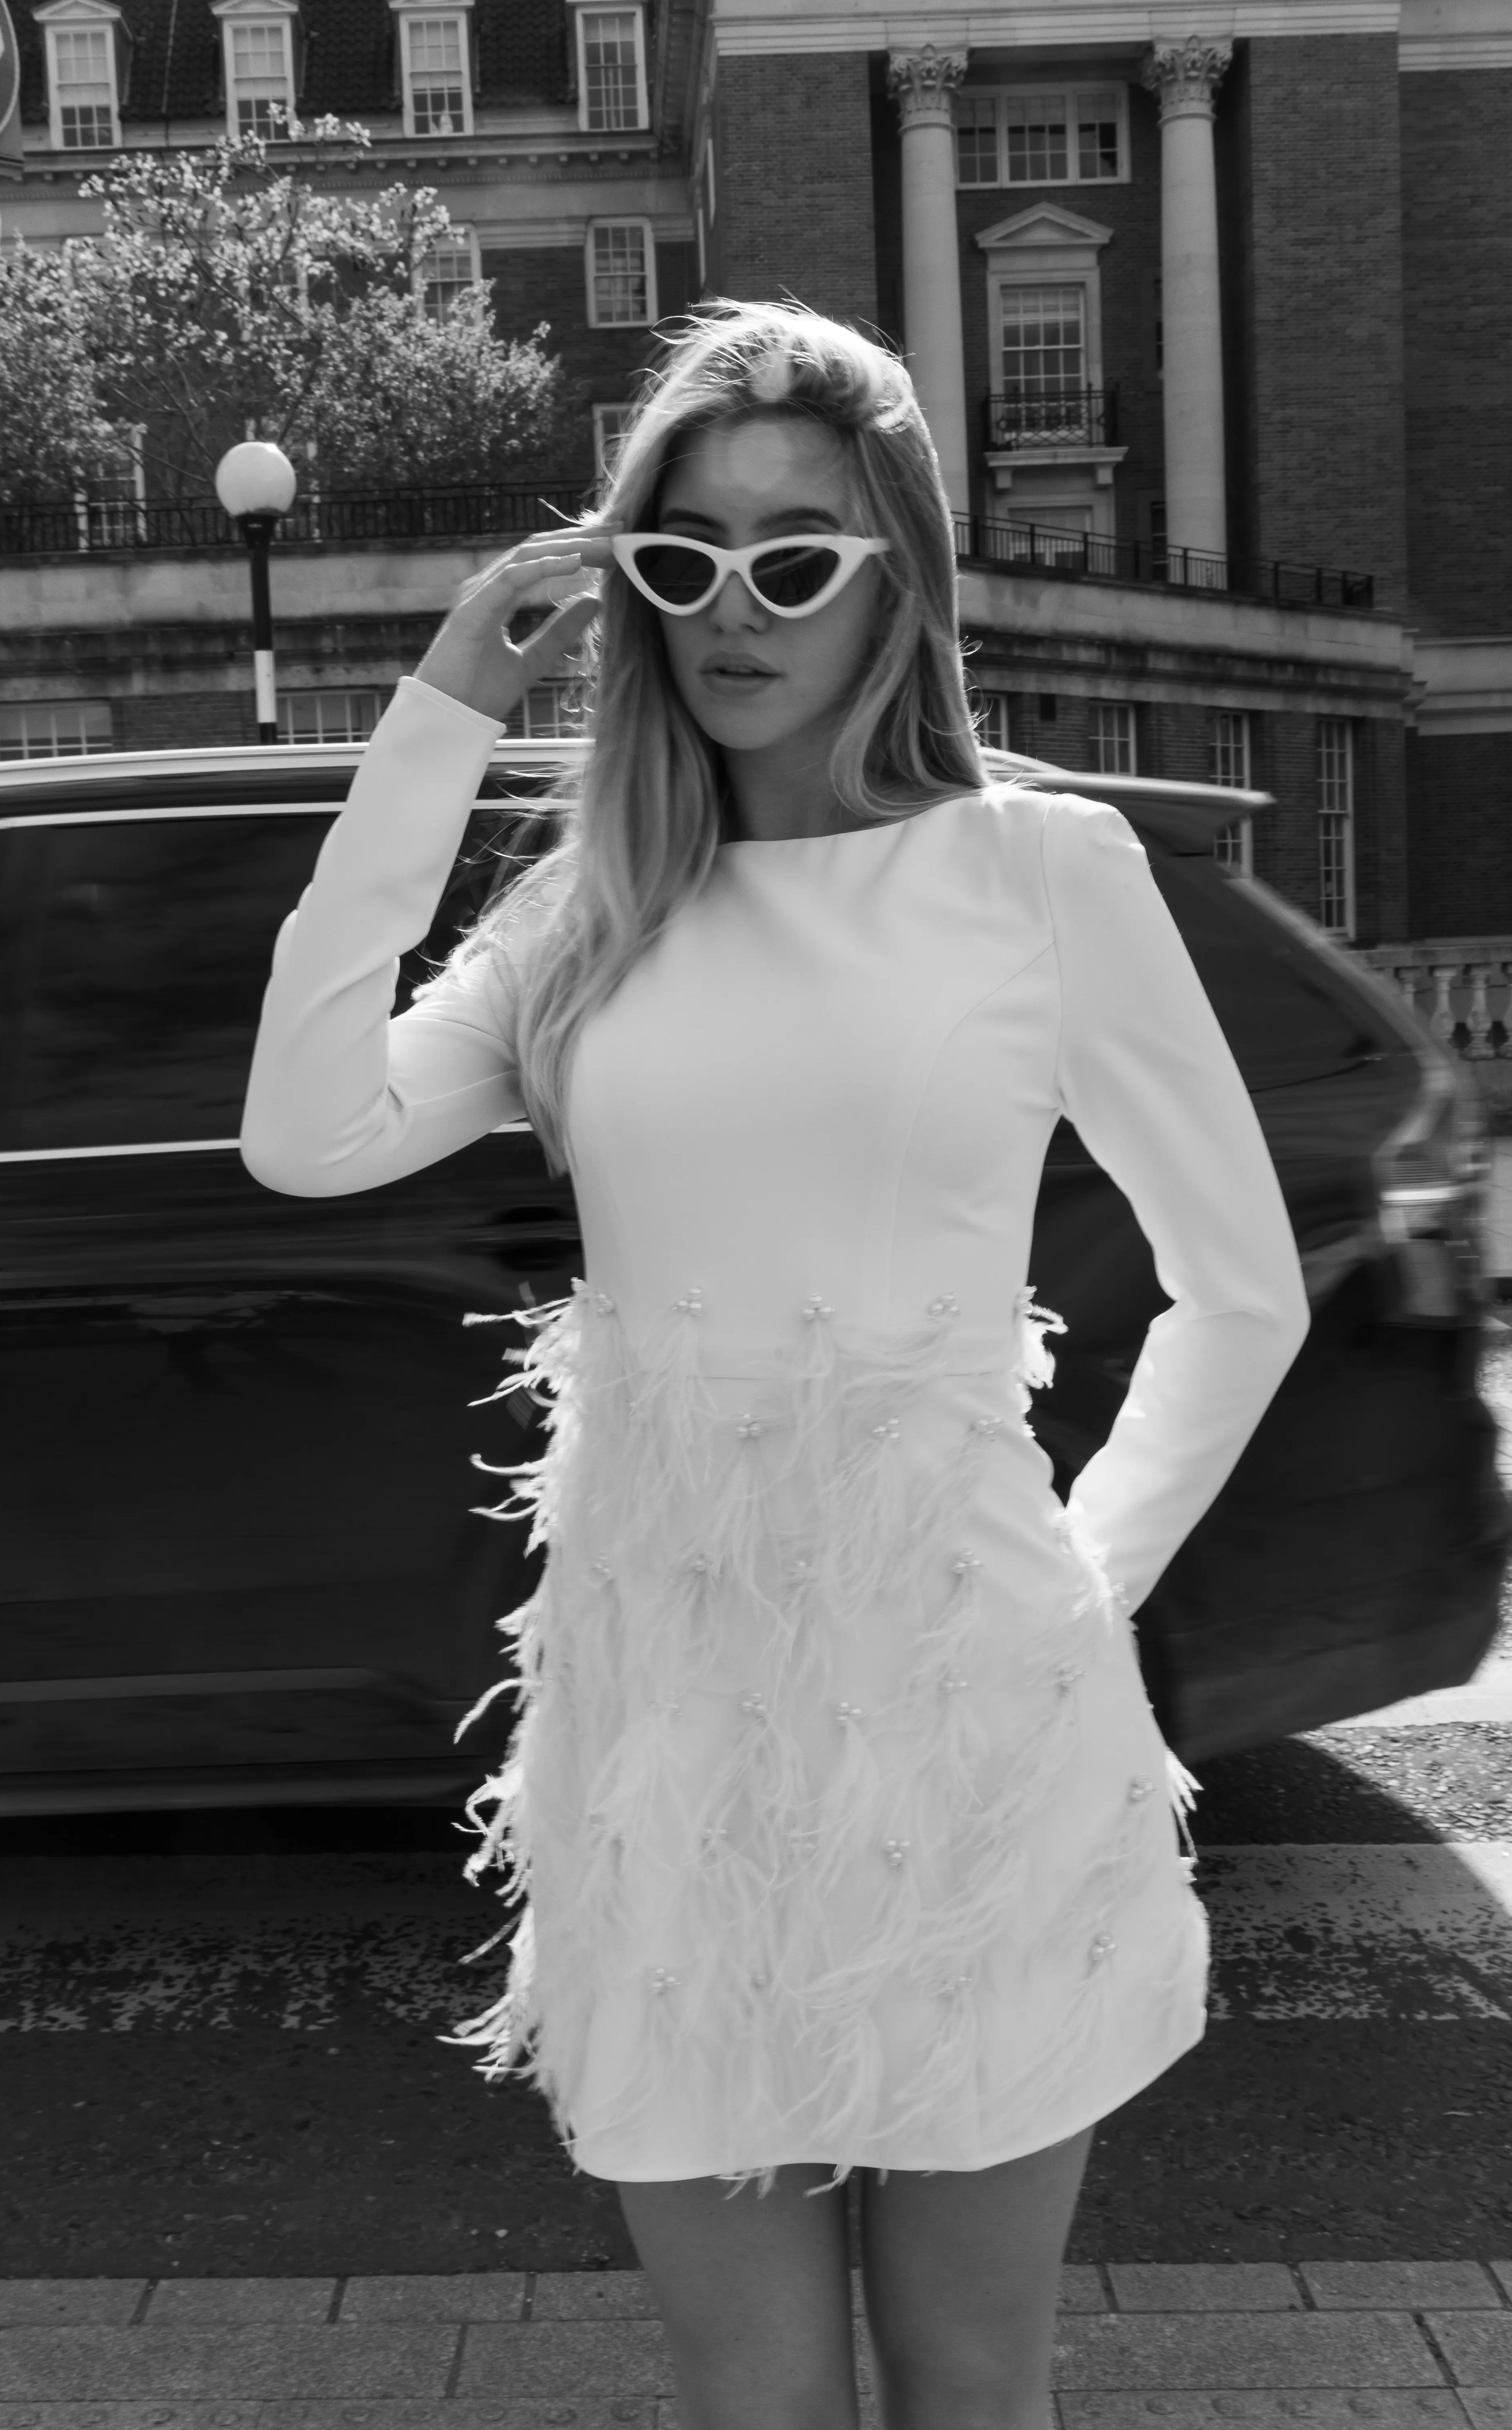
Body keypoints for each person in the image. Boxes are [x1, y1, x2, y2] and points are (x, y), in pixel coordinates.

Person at [241, 301, 1310, 2430]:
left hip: (971, 1720)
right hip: (668, 1745)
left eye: (797, 557)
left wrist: (1077, 1592)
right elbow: (307, 1132)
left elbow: (1244, 1290)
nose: (735, 605)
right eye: (683, 554)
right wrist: (440, 721)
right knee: (754, 2398)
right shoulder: (591, 911)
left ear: (897, 580)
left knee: (969, 2385)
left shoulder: (1038, 872)